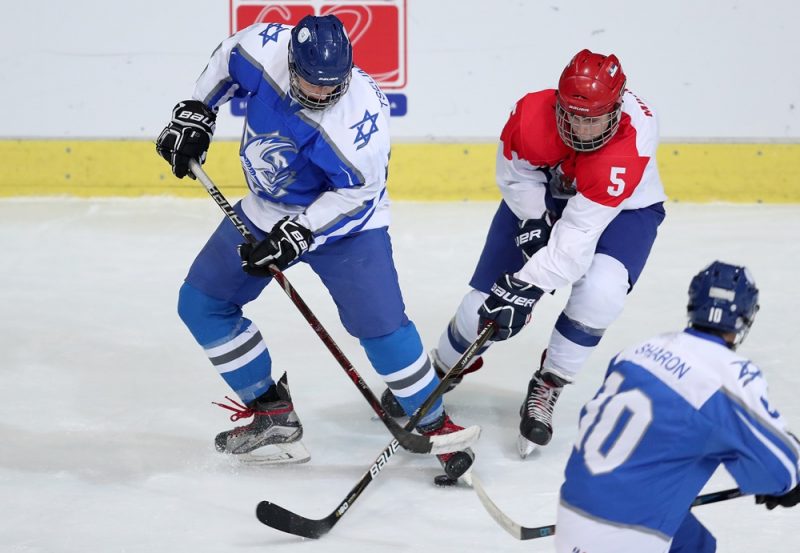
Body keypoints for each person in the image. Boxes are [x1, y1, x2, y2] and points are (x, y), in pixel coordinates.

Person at [155, 14, 474, 478]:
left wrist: (301, 233)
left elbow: (357, 194)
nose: (322, 93)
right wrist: (197, 113)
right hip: (266, 207)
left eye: (332, 85)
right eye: (311, 82)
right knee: (202, 303)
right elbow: (226, 60)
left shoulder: (358, 121)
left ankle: (435, 425)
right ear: (291, 61)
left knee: (382, 330)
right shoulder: (263, 46)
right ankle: (270, 415)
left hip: (345, 226)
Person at [381, 48, 667, 456]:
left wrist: (526, 286)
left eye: (595, 120)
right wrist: (533, 221)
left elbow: (578, 237)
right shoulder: (531, 113)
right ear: (558, 104)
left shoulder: (629, 142)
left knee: (601, 293)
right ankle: (442, 369)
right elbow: (514, 175)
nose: (583, 131)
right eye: (573, 117)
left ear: (617, 109)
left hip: (621, 211)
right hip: (546, 196)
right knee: (478, 308)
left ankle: (549, 382)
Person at [554, 261, 800, 553]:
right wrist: (780, 485)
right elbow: (784, 470)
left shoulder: (638, 351)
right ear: (746, 317)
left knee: (695, 543)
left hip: (572, 509)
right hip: (628, 536)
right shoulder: (728, 378)